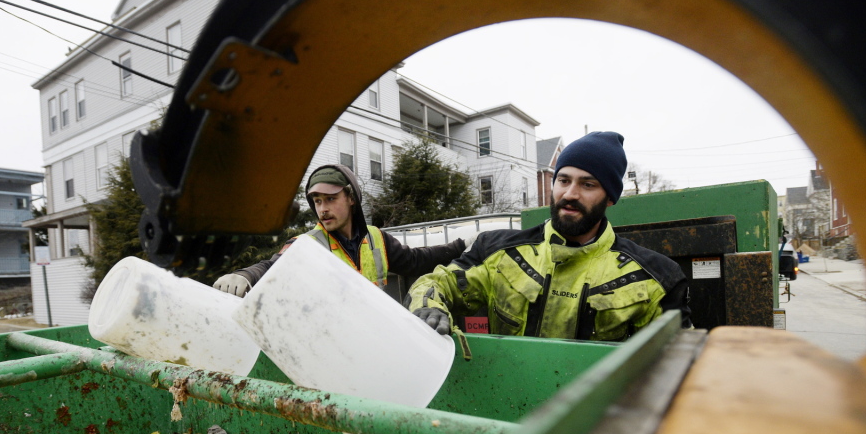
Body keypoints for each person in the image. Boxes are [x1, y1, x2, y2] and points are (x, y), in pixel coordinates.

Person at [409, 131, 691, 340]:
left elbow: (675, 362)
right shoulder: (498, 252)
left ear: (610, 198)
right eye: (563, 180)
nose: (570, 194)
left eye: (588, 184)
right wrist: (427, 306)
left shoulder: (656, 279)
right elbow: (438, 282)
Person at [213, 164, 467, 296]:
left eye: (331, 199)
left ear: (351, 198)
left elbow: (416, 261)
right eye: (318, 201)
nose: (322, 209)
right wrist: (245, 275)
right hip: (330, 350)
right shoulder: (307, 244)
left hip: (372, 340)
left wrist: (462, 246)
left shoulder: (376, 239)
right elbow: (272, 266)